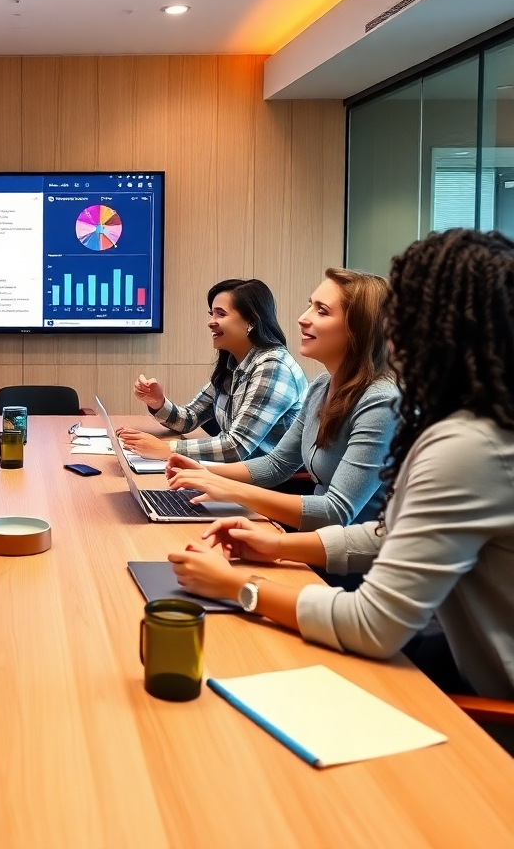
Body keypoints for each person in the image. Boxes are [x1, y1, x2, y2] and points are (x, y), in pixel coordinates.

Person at [167, 230, 514, 702]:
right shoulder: (469, 425)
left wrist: (237, 586)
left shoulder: (465, 444)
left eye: (406, 311)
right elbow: (388, 533)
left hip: (488, 705)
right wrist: (276, 547)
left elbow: (372, 624)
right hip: (456, 652)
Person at [167, 268, 398, 530]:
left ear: (360, 328)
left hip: (353, 558)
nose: (302, 318)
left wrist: (228, 489)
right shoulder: (322, 385)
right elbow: (277, 464)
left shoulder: (382, 402)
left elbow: (335, 511)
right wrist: (202, 472)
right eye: (309, 306)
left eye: (321, 311)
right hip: (320, 538)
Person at [118, 279, 307, 462]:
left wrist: (166, 449)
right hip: (234, 475)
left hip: (267, 487)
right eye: (211, 314)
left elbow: (236, 447)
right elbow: (189, 419)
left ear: (251, 321)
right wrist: (158, 403)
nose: (211, 322)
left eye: (221, 314)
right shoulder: (234, 363)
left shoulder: (273, 367)